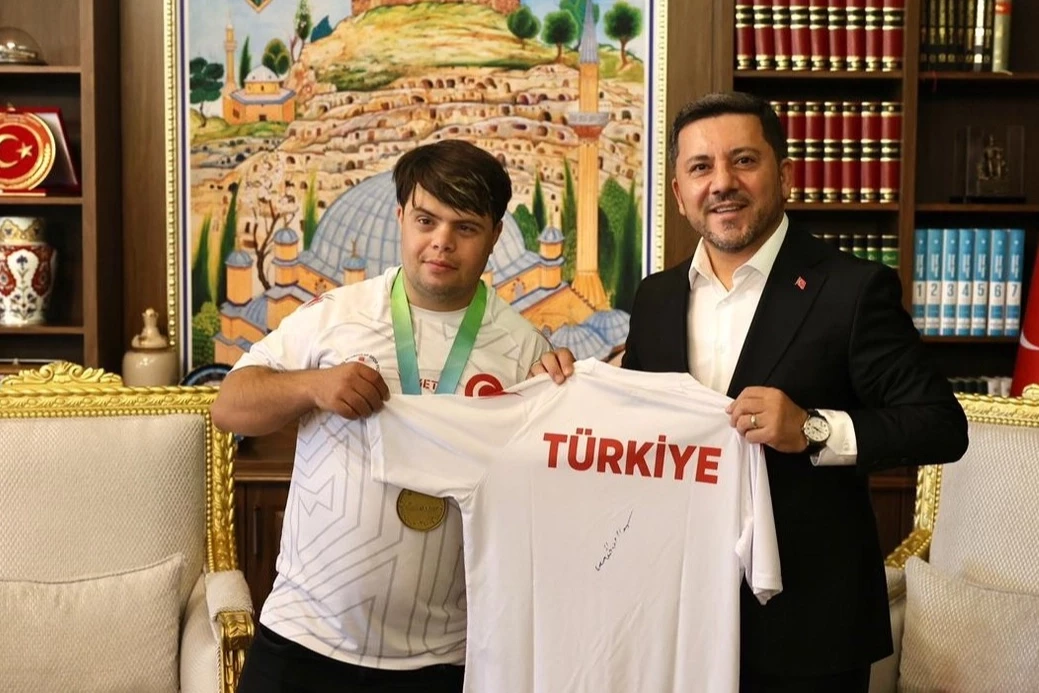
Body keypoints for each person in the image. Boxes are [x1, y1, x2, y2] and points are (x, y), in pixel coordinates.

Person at [534, 91, 968, 692]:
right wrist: (564, 390)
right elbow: (638, 432)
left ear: (783, 174)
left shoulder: (852, 289)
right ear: (679, 191)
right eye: (701, 167)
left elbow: (940, 425)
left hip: (805, 628)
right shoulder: (656, 297)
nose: (722, 183)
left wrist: (813, 428)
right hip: (674, 612)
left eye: (743, 160)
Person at [213, 139, 552, 693]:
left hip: (444, 659)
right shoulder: (333, 315)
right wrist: (313, 386)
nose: (441, 242)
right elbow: (229, 406)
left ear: (494, 236)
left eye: (466, 227)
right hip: (303, 641)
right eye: (426, 220)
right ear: (401, 218)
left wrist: (563, 391)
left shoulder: (525, 350)